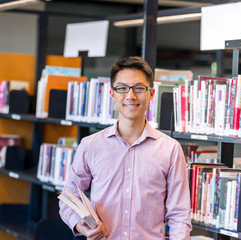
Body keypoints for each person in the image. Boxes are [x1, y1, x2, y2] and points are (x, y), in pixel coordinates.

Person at [59, 56, 192, 240]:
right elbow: (69, 198)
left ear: (151, 93)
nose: (131, 96)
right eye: (122, 88)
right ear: (112, 93)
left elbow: (179, 215)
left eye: (139, 88)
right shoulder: (90, 145)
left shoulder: (170, 149)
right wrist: (81, 227)